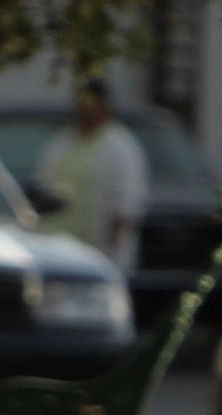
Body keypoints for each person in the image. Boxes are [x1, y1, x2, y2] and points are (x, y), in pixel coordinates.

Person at [35, 77, 149, 276]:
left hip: (100, 254)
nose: (86, 110)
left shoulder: (120, 146)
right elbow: (43, 186)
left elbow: (126, 204)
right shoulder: (63, 143)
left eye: (93, 104)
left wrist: (112, 255)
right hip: (60, 252)